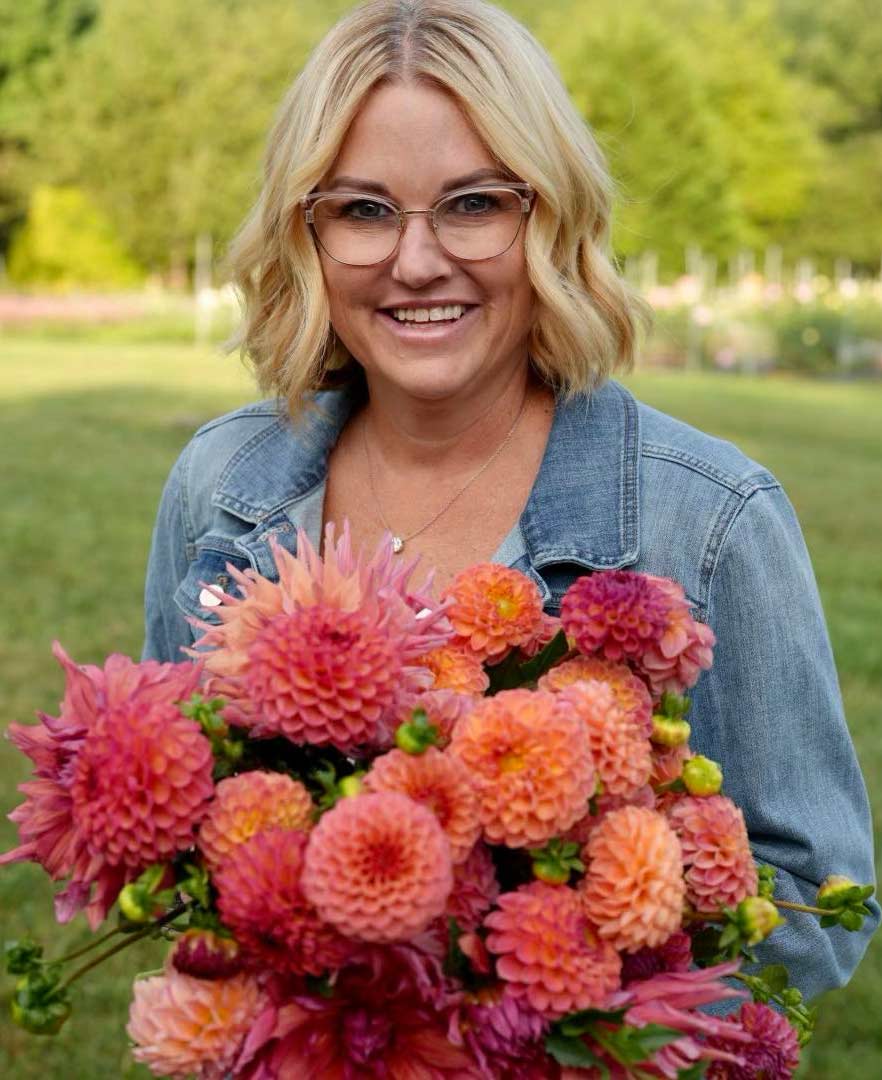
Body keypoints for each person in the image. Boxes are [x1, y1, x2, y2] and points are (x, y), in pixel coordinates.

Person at [142, 0, 877, 1002]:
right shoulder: (220, 488)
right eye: (362, 210)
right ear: (305, 233)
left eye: (473, 203)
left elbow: (822, 900)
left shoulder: (706, 520)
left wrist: (535, 999)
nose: (416, 260)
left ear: (551, 213)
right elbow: (173, 837)